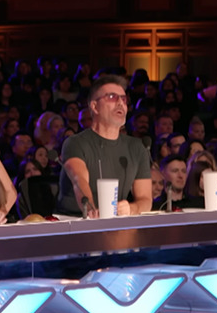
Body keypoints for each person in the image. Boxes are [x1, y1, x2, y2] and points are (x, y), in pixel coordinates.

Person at [57, 74, 152, 216]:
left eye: (124, 99)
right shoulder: (75, 143)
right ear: (95, 106)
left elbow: (145, 200)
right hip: (75, 221)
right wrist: (92, 211)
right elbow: (79, 181)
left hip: (115, 222)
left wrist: (132, 208)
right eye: (112, 97)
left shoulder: (137, 147)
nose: (120, 103)